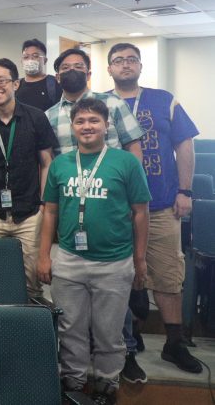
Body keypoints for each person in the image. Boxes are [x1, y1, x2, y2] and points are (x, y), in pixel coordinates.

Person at [37, 97, 150, 404]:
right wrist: (44, 256)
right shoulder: (61, 164)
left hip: (114, 262)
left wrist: (140, 260)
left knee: (108, 331)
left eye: (93, 121)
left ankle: (106, 385)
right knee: (70, 327)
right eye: (80, 121)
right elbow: (50, 212)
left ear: (106, 125)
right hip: (69, 259)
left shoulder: (126, 162)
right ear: (72, 127)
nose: (87, 126)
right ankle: (73, 383)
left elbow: (141, 213)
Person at [107, 42, 202, 373]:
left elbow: (184, 144)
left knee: (167, 273)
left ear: (140, 66)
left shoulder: (164, 100)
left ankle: (174, 343)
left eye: (131, 59)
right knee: (121, 275)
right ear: (109, 68)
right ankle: (129, 339)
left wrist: (185, 190)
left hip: (160, 203)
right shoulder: (101, 103)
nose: (125, 64)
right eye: (118, 60)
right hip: (116, 207)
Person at [0, 58, 56, 299]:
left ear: (16, 84)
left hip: (29, 214)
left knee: (31, 284)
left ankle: (31, 322)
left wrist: (44, 205)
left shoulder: (36, 117)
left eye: (1, 81)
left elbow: (47, 163)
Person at [15, 39, 62, 111]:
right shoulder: (16, 85)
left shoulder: (54, 84)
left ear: (45, 60)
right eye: (26, 57)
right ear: (21, 61)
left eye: (35, 56)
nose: (30, 60)